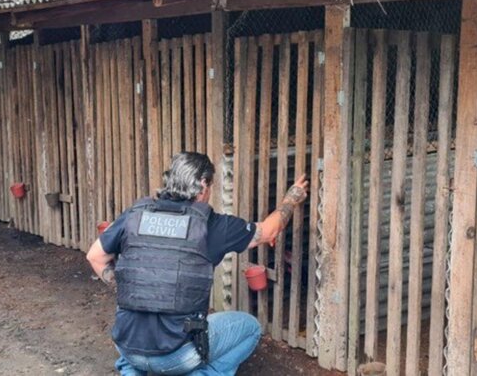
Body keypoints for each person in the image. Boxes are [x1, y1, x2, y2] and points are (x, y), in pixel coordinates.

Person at [86, 152, 309, 376]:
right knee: (249, 328)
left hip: (129, 348)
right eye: (211, 185)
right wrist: (291, 198)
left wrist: (130, 290)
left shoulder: (135, 216)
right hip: (176, 356)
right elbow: (269, 231)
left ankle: (131, 371)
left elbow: (94, 256)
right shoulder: (212, 226)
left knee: (137, 335)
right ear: (203, 185)